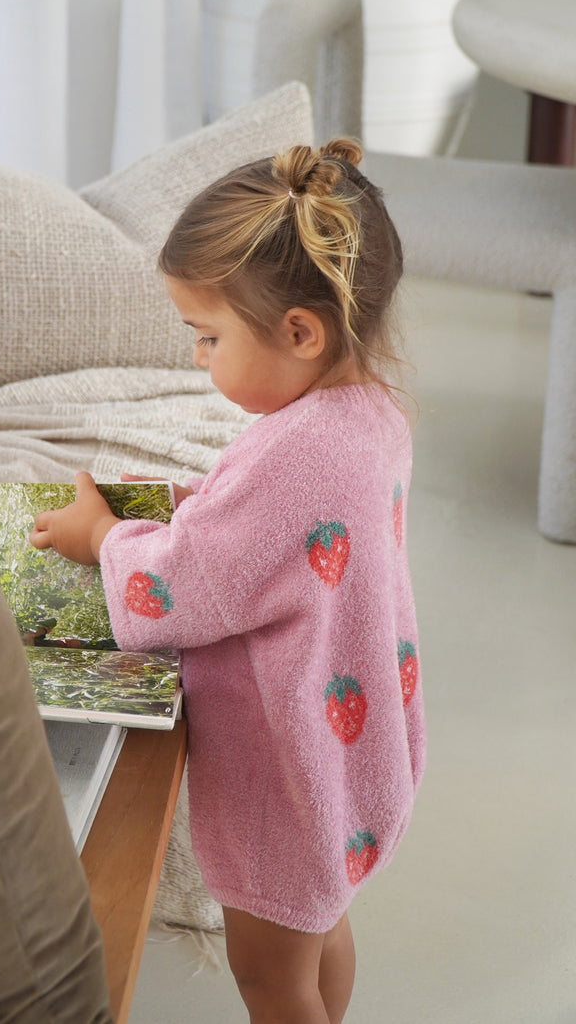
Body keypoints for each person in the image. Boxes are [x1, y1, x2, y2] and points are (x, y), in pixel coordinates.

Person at [29, 139, 425, 1024]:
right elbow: (272, 541)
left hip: (286, 780)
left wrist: (102, 535)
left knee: (270, 977)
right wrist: (193, 504)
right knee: (319, 930)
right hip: (349, 758)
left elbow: (184, 587)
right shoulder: (370, 411)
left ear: (299, 332)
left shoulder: (296, 456)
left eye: (209, 338)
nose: (201, 361)